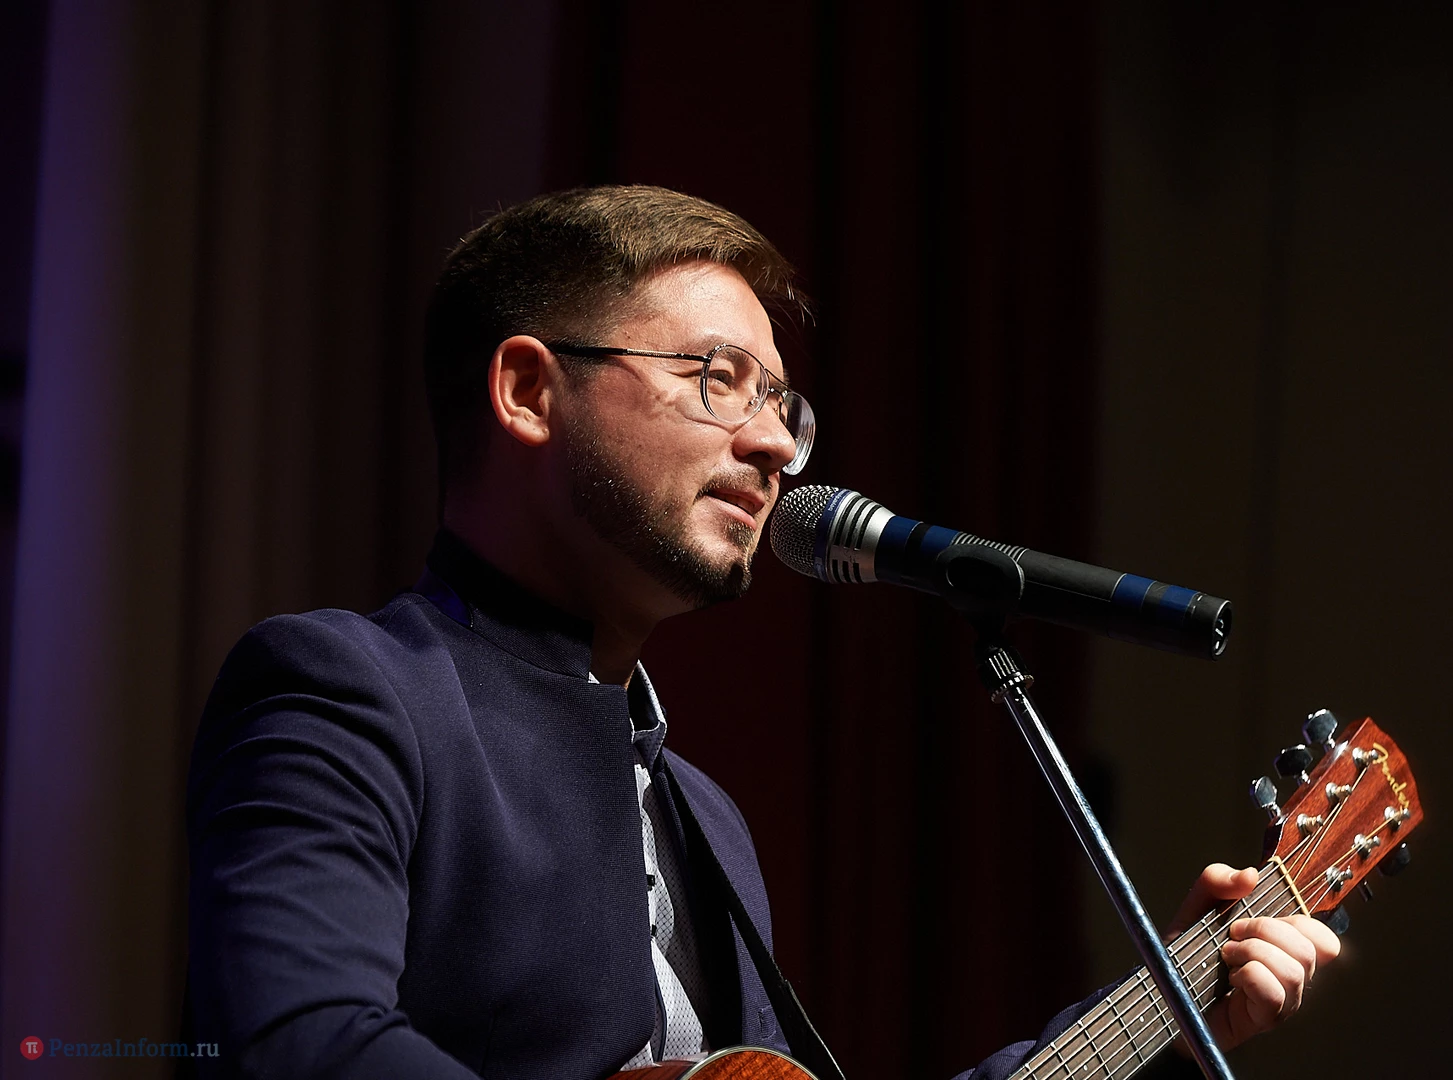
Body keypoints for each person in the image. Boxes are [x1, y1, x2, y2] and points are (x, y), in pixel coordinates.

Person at [183, 185, 1338, 1079]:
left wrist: (1165, 1017)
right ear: (530, 392)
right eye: (719, 379)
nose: (777, 446)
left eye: (783, 405)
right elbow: (302, 1042)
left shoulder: (709, 821)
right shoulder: (346, 691)